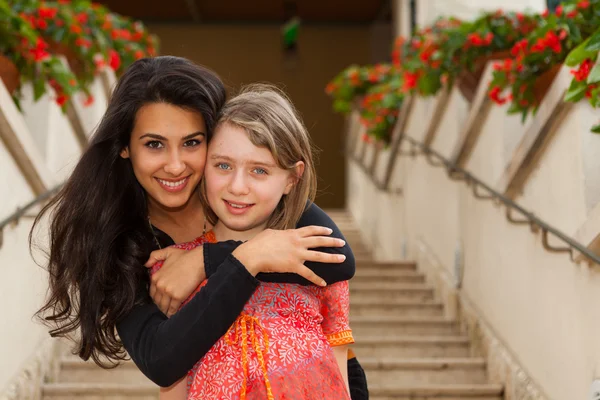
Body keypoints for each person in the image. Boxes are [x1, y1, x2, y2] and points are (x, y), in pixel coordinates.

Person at [32, 56, 367, 396]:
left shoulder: (249, 198)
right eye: (154, 144)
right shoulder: (121, 243)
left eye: (192, 142)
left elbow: (339, 262)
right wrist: (248, 258)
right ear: (124, 148)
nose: (175, 166)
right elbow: (163, 360)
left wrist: (208, 259)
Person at [154, 83, 353, 399]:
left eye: (259, 170)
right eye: (223, 165)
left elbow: (340, 370)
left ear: (292, 178)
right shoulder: (178, 268)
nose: (237, 186)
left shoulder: (316, 259)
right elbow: (171, 380)